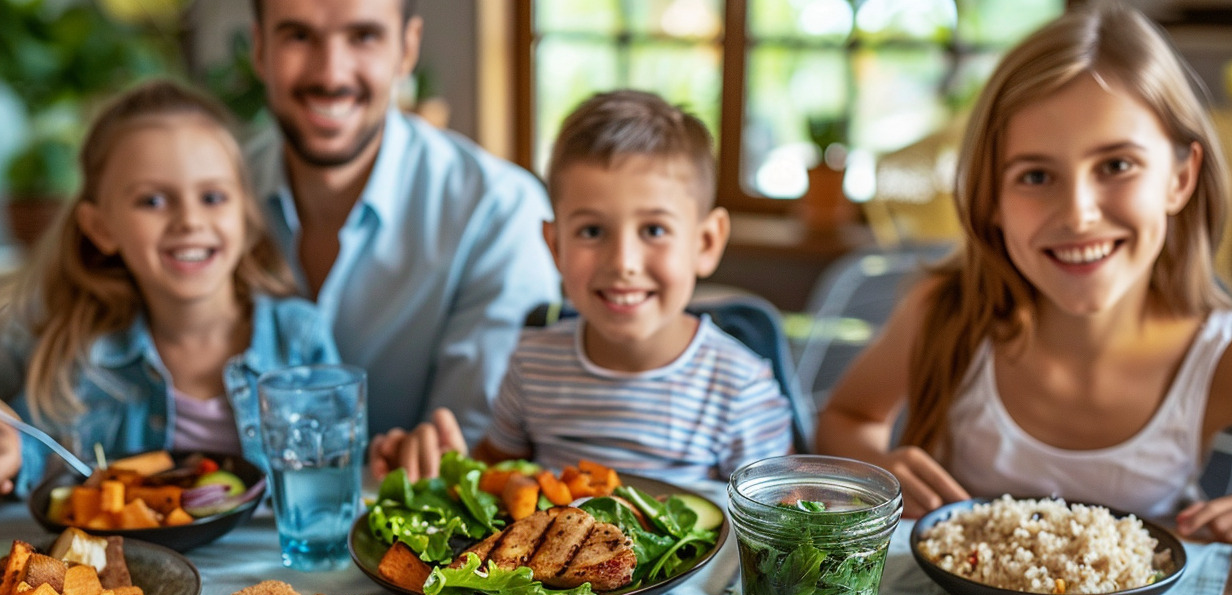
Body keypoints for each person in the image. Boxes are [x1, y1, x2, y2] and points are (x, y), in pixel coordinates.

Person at [813, 3, 1232, 541]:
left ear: (1180, 178)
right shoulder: (946, 313)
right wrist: (879, 466)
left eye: (1116, 166)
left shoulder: (1215, 355)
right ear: (991, 198)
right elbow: (846, 416)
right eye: (1036, 175)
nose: (1079, 214)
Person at [369, 89, 794, 483]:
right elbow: (493, 476)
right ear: (555, 246)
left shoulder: (741, 389)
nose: (623, 262)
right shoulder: (532, 363)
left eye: (654, 230)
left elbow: (779, 527)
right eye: (592, 231)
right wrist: (438, 468)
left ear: (705, 242)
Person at [0, 79, 338, 496]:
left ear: (245, 215)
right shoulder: (82, 355)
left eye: (213, 197)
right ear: (101, 228)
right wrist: (13, 449)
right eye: (153, 202)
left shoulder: (300, 338)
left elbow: (339, 468)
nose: (189, 221)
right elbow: (38, 453)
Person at [245, 0, 561, 442]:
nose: (331, 74)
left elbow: (470, 453)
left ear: (407, 49)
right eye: (298, 36)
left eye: (363, 37)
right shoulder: (212, 199)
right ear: (260, 49)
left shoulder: (498, 210)